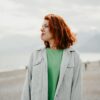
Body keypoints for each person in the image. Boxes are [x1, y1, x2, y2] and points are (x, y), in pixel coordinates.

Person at [21, 14, 82, 100]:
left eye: (45, 26)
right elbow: (27, 88)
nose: (41, 29)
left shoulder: (74, 56)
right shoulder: (35, 55)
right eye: (42, 26)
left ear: (56, 28)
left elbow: (76, 90)